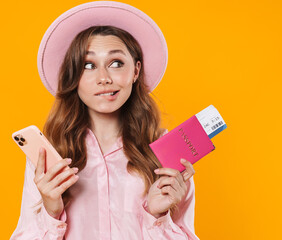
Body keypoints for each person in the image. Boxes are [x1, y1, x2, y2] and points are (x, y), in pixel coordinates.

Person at [10, 1, 199, 239]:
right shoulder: (49, 155)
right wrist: (50, 211)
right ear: (74, 76)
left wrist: (157, 217)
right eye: (88, 65)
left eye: (116, 63)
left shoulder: (168, 149)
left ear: (136, 71)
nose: (103, 78)